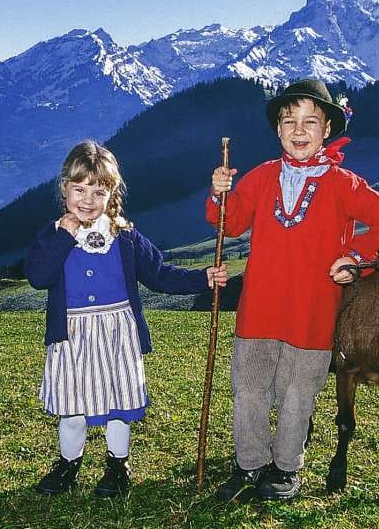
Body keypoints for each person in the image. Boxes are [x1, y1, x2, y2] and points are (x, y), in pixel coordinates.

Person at [207, 78, 379, 502]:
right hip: (258, 308)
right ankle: (249, 464)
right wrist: (221, 194)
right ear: (277, 129)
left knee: (298, 393)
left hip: (314, 312)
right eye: (289, 120)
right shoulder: (261, 177)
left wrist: (355, 257)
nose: (299, 130)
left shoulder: (344, 183)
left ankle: (285, 467)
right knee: (250, 388)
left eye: (310, 121)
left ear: (327, 128)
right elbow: (231, 223)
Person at [26, 140, 228, 497]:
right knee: (72, 407)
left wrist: (203, 278)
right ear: (64, 190)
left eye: (98, 191)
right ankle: (67, 464)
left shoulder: (125, 236)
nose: (87, 200)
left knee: (116, 405)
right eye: (79, 190)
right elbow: (39, 276)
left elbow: (160, 274)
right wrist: (65, 236)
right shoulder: (53, 234)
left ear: (112, 193)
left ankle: (117, 465)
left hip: (116, 334)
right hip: (71, 334)